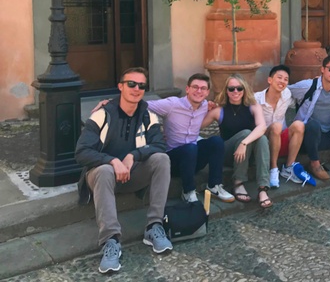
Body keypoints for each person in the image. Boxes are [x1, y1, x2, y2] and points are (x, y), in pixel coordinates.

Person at [75, 67, 172, 274]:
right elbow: (81, 152)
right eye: (131, 84)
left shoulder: (148, 116)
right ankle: (111, 241)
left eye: (141, 86)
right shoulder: (102, 115)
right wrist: (111, 161)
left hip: (132, 174)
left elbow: (159, 146)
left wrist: (133, 156)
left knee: (161, 159)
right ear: (120, 86)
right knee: (104, 171)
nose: (136, 89)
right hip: (102, 177)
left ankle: (154, 226)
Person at [148, 74, 234, 203]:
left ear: (207, 92)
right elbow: (143, 104)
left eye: (203, 88)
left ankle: (214, 185)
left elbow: (222, 106)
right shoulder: (172, 104)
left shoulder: (205, 105)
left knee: (216, 141)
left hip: (193, 160)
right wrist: (111, 103)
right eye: (195, 87)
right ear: (187, 89)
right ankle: (188, 191)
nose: (199, 91)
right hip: (174, 161)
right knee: (190, 148)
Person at [201, 75, 272, 208]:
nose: (235, 92)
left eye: (239, 88)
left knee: (261, 138)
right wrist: (203, 108)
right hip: (228, 154)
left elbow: (262, 127)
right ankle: (238, 181)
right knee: (246, 133)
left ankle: (262, 188)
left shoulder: (253, 107)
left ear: (244, 90)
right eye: (231, 88)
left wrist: (244, 143)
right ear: (226, 91)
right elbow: (197, 126)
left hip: (248, 152)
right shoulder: (219, 111)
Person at [252, 65, 307, 187]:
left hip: (281, 140)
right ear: (270, 80)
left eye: (286, 79)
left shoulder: (287, 94)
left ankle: (288, 167)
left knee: (299, 125)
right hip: (264, 141)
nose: (282, 81)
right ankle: (273, 168)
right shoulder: (256, 99)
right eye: (279, 77)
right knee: (276, 126)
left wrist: (318, 82)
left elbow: (302, 96)